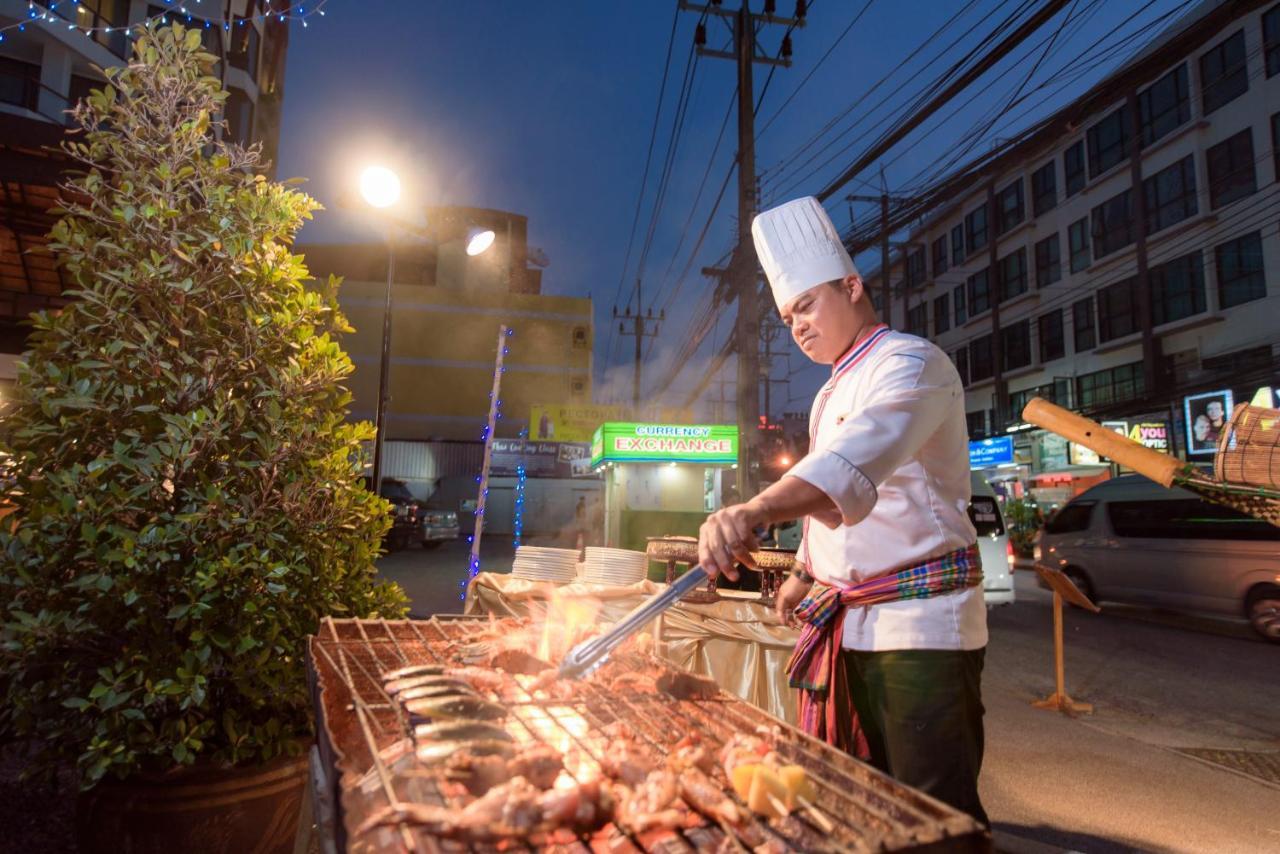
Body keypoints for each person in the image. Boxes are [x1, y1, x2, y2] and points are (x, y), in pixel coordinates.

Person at [697, 197, 988, 825]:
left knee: (932, 815)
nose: (796, 327)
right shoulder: (830, 392)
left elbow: (847, 472)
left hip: (920, 629)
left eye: (806, 305)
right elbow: (828, 502)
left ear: (852, 286)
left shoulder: (912, 364)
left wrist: (752, 510)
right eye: (786, 317)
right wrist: (804, 573)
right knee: (861, 805)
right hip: (851, 627)